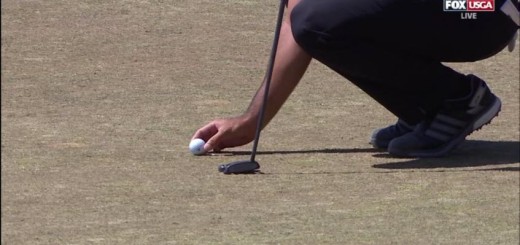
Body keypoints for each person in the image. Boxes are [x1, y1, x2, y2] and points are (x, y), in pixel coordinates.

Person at [192, 0, 519, 157]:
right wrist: (253, 120)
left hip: (480, 8)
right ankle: (427, 105)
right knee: (318, 20)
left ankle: (454, 100)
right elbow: (300, 18)